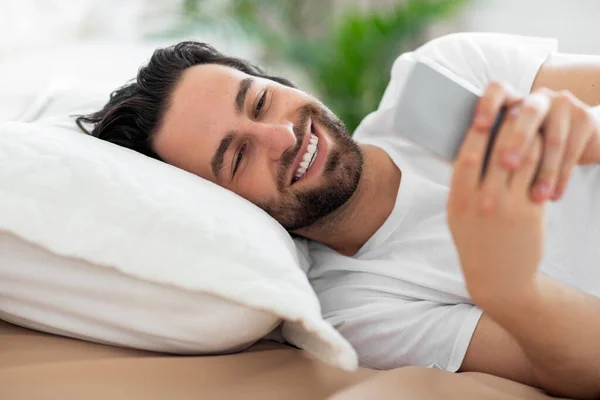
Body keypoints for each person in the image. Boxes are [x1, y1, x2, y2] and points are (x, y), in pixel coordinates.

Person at [77, 32, 600, 398]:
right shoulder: (354, 307)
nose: (282, 137)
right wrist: (510, 290)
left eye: (261, 102)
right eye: (238, 158)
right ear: (224, 207)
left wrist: (588, 134)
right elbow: (585, 369)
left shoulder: (435, 78)